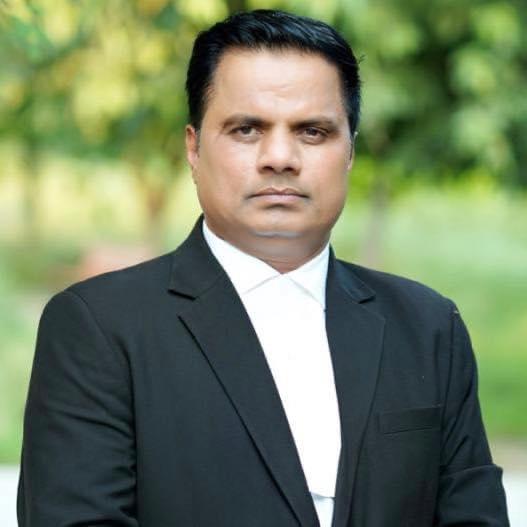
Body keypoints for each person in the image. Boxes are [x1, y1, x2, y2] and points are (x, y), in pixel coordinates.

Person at [17, 9, 509, 527]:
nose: (279, 157)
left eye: (312, 131)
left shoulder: (428, 326)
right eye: (247, 129)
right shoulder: (99, 326)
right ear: (193, 148)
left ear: (350, 152)